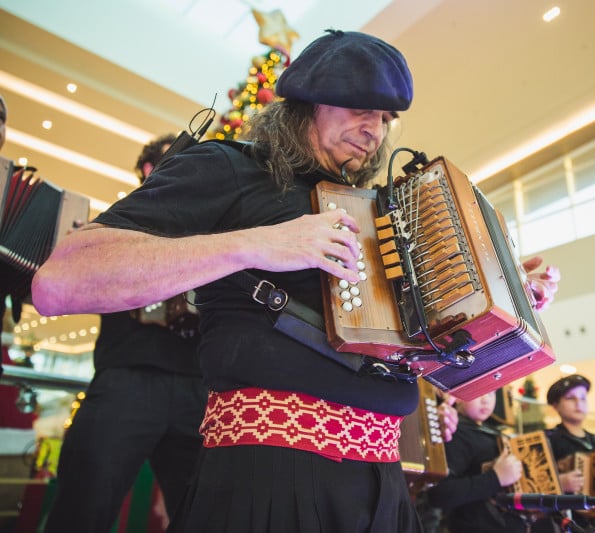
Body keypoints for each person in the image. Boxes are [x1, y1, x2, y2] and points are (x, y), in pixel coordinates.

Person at [31, 30, 543, 532]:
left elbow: (443, 364)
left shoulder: (376, 217)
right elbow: (63, 279)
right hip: (271, 476)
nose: (376, 130)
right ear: (306, 103)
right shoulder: (229, 167)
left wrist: (511, 301)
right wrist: (255, 244)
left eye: (387, 118)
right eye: (360, 107)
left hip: (386, 486)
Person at [42, 134, 208, 533]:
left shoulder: (213, 233)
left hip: (197, 390)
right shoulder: (114, 224)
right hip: (126, 380)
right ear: (149, 173)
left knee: (203, 514)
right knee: (83, 508)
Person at [427, 390, 526, 533]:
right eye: (479, 391)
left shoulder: (494, 432)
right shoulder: (454, 431)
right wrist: (496, 478)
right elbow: (440, 493)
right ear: (458, 397)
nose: (486, 399)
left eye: (491, 393)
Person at [544, 374, 595, 493]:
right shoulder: (548, 439)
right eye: (570, 398)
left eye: (583, 398)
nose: (579, 403)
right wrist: (559, 483)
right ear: (555, 406)